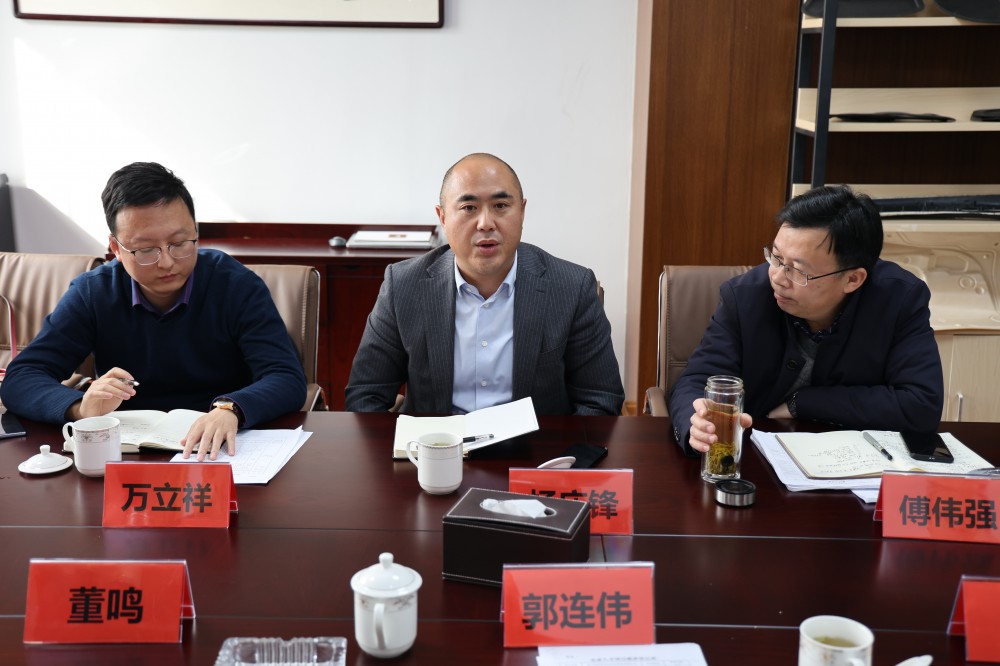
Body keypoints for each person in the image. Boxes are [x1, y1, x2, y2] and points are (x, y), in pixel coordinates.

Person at [0, 162, 306, 460]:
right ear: (116, 248)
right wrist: (81, 408)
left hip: (220, 445)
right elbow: (23, 377)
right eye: (146, 250)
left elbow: (285, 376)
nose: (167, 262)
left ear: (195, 231)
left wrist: (232, 408)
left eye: (180, 242)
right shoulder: (93, 292)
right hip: (128, 449)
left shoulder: (235, 285)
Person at [668, 185, 943, 456]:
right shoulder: (744, 297)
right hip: (754, 460)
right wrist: (697, 423)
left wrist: (803, 403)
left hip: (855, 464)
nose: (777, 277)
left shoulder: (899, 300)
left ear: (852, 279)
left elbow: (921, 405)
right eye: (776, 257)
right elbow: (696, 379)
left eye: (797, 270)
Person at [345, 152, 624, 416]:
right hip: (437, 447)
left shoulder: (571, 288)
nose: (485, 223)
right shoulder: (404, 286)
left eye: (500, 206)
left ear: (522, 212)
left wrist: (560, 450)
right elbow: (365, 395)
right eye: (469, 208)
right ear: (443, 218)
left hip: (534, 448)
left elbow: (600, 400)